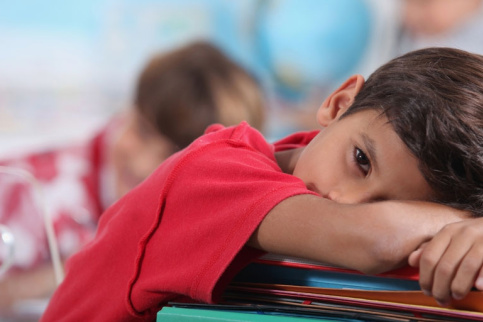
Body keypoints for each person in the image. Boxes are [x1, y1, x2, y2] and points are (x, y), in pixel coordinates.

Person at [41, 47, 483, 321]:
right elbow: (371, 239)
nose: (345, 201)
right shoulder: (213, 172)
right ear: (339, 102)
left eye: (393, 203)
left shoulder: (314, 156)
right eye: (361, 162)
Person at [0, 41, 266, 313]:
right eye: (143, 131)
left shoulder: (212, 214)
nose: (143, 164)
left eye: (174, 155)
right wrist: (82, 268)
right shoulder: (28, 189)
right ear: (131, 108)